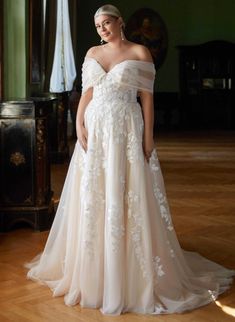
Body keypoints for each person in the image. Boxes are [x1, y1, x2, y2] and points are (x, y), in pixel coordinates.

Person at [26, 4, 234, 315]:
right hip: (96, 129)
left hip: (126, 127)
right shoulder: (92, 54)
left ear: (120, 22)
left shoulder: (140, 52)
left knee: (127, 188)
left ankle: (129, 265)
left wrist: (149, 136)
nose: (103, 30)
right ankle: (96, 266)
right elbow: (87, 93)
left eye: (107, 23)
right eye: (98, 26)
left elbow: (147, 98)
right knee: (95, 190)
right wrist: (80, 122)